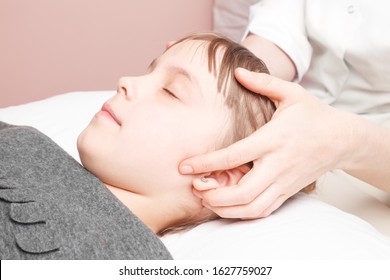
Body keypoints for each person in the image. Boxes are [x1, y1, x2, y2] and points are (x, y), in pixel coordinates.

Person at [2, 32, 312, 259]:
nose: (126, 80)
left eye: (171, 91)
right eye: (150, 71)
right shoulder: (29, 140)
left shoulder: (128, 259)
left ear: (218, 173)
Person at [178, 0, 390, 219]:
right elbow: (277, 37)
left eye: (170, 92)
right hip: (288, 115)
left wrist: (343, 139)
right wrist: (220, 72)